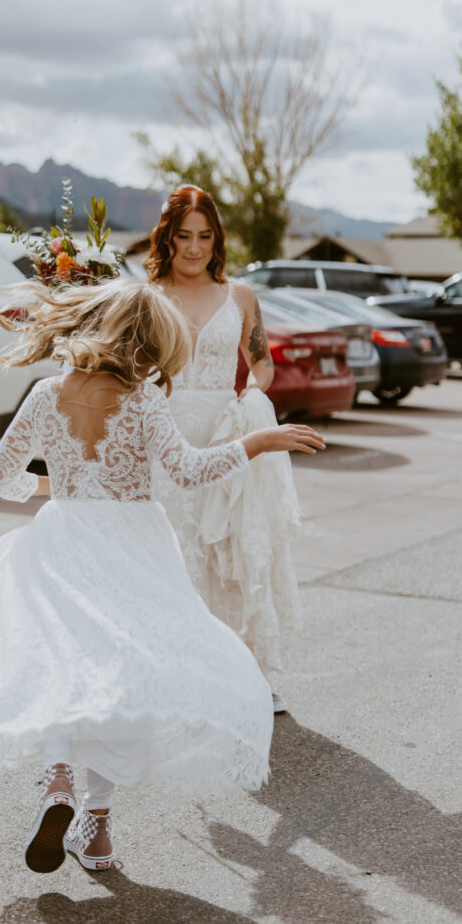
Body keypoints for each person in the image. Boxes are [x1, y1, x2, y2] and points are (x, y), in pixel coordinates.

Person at [0, 279, 325, 875]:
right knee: (119, 678)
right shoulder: (141, 401)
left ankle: (57, 783)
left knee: (62, 661)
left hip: (63, 538)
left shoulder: (46, 393)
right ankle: (98, 823)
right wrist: (259, 440)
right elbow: (189, 471)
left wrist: (58, 487)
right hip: (133, 544)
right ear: (154, 343)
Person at [146, 185, 302, 713]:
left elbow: (261, 362)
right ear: (167, 238)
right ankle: (174, 672)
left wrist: (252, 397)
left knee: (229, 549)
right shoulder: (146, 297)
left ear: (217, 239)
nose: (194, 248)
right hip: (163, 434)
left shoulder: (239, 297)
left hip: (224, 431)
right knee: (172, 550)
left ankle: (245, 672)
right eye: (184, 236)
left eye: (204, 237)